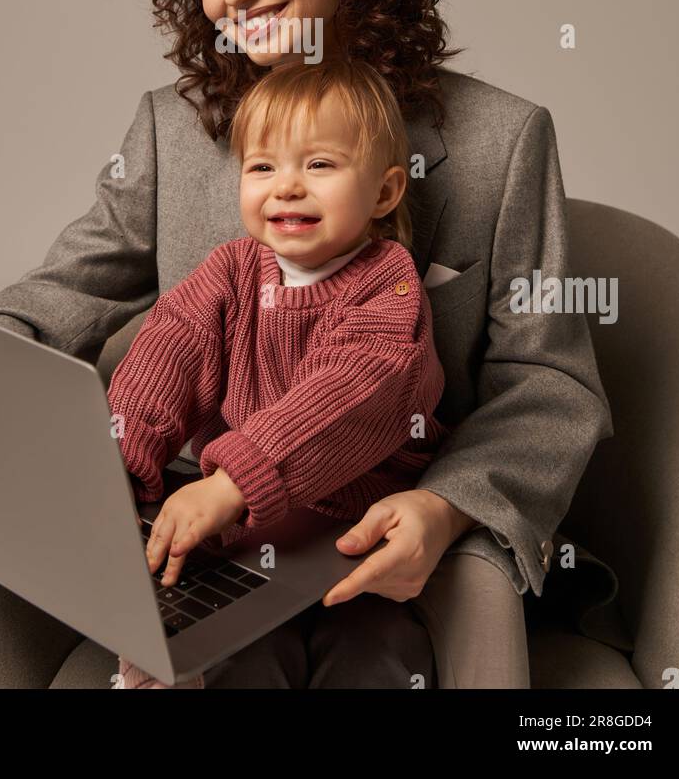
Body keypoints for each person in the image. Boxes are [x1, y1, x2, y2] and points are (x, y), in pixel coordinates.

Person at [0, 0, 616, 688]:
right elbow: (49, 310)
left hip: (397, 539)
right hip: (210, 538)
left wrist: (442, 510)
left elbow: (548, 385)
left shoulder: (502, 139)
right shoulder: (172, 132)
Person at [111, 58, 448, 688]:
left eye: (319, 165)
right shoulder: (232, 270)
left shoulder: (390, 285)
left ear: (384, 191)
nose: (286, 186)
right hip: (243, 543)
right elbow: (167, 353)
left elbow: (351, 389)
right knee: (233, 659)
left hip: (357, 542)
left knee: (372, 659)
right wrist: (123, 461)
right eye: (263, 167)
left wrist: (233, 481)